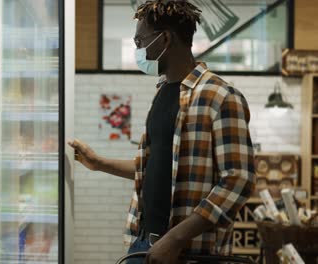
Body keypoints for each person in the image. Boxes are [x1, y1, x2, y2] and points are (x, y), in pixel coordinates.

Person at [68, 1, 256, 264]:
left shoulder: (221, 96)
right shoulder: (163, 91)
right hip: (144, 243)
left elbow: (238, 180)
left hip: (190, 252)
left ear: (165, 38)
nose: (138, 49)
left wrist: (175, 238)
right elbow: (154, 166)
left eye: (139, 40)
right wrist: (98, 163)